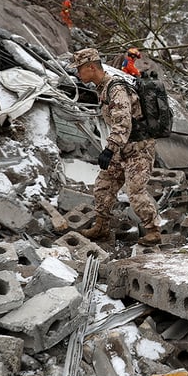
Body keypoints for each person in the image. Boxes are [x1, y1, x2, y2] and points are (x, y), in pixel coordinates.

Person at [68, 48, 161, 246]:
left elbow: (123, 123)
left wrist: (109, 149)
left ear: (91, 67)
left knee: (136, 192)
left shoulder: (116, 89)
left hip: (138, 148)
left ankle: (153, 231)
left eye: (79, 69)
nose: (77, 73)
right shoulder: (103, 88)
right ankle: (101, 227)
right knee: (104, 185)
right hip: (122, 147)